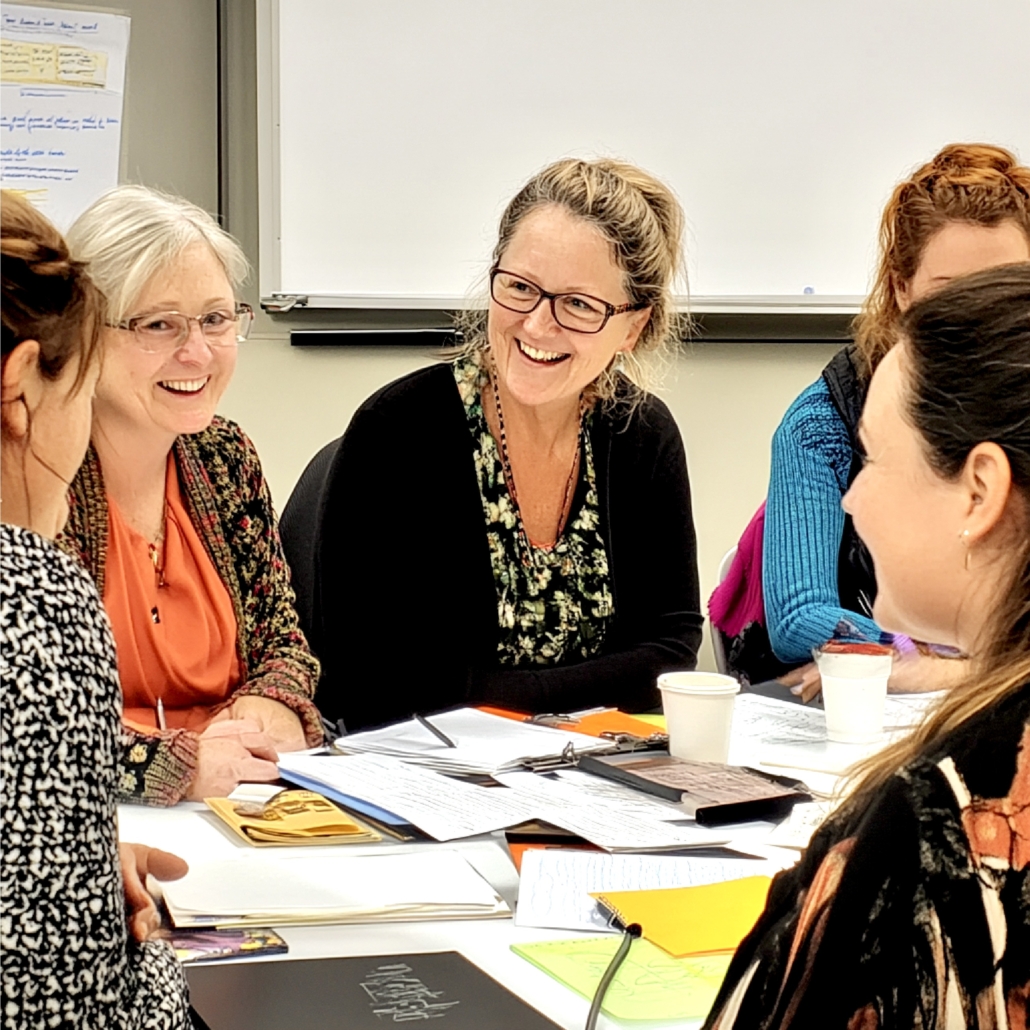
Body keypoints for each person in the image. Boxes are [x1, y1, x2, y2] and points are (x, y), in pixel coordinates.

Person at [703, 264, 1030, 1029]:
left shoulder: (941, 824)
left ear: (978, 491)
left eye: (876, 459)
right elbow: (795, 618)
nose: (853, 497)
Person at [300, 158, 702, 731]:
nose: (537, 326)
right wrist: (570, 701)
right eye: (519, 288)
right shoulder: (399, 431)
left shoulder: (640, 435)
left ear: (632, 327)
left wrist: (488, 696)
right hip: (429, 778)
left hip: (594, 774)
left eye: (579, 304)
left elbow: (670, 649)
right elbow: (373, 681)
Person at [61, 185, 323, 805]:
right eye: (159, 324)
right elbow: (31, 726)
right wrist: (174, 765)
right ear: (84, 331)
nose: (199, 352)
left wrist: (273, 701)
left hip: (242, 804)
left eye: (215, 318)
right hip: (105, 817)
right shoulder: (36, 477)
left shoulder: (224, 457)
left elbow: (283, 642)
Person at [1, 191, 191, 1027]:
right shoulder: (35, 599)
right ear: (20, 392)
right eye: (73, 389)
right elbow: (67, 1008)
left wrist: (68, 859)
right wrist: (153, 955)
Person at [762, 143, 1030, 695]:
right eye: (952, 296)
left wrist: (968, 668)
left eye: (1006, 288)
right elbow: (799, 617)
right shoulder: (825, 422)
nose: (982, 319)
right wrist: (914, 653)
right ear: (901, 290)